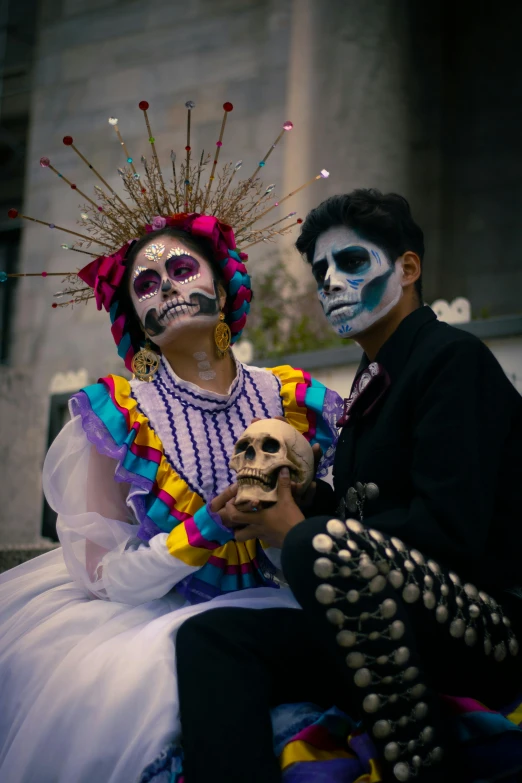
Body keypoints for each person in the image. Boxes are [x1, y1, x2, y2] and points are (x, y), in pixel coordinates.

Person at [0, 103, 342, 783]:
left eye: (184, 270)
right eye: (147, 285)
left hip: (289, 606)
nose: (170, 290)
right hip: (155, 620)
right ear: (136, 318)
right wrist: (207, 526)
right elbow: (109, 579)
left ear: (222, 279)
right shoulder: (117, 416)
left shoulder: (296, 397)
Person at [176, 189, 522, 783]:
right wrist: (304, 499)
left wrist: (304, 530)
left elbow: (450, 533)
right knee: (213, 636)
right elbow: (372, 520)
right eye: (321, 272)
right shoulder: (375, 379)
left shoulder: (452, 361)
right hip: (386, 617)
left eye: (353, 262)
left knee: (316, 545)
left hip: (487, 629)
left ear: (408, 268)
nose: (331, 282)